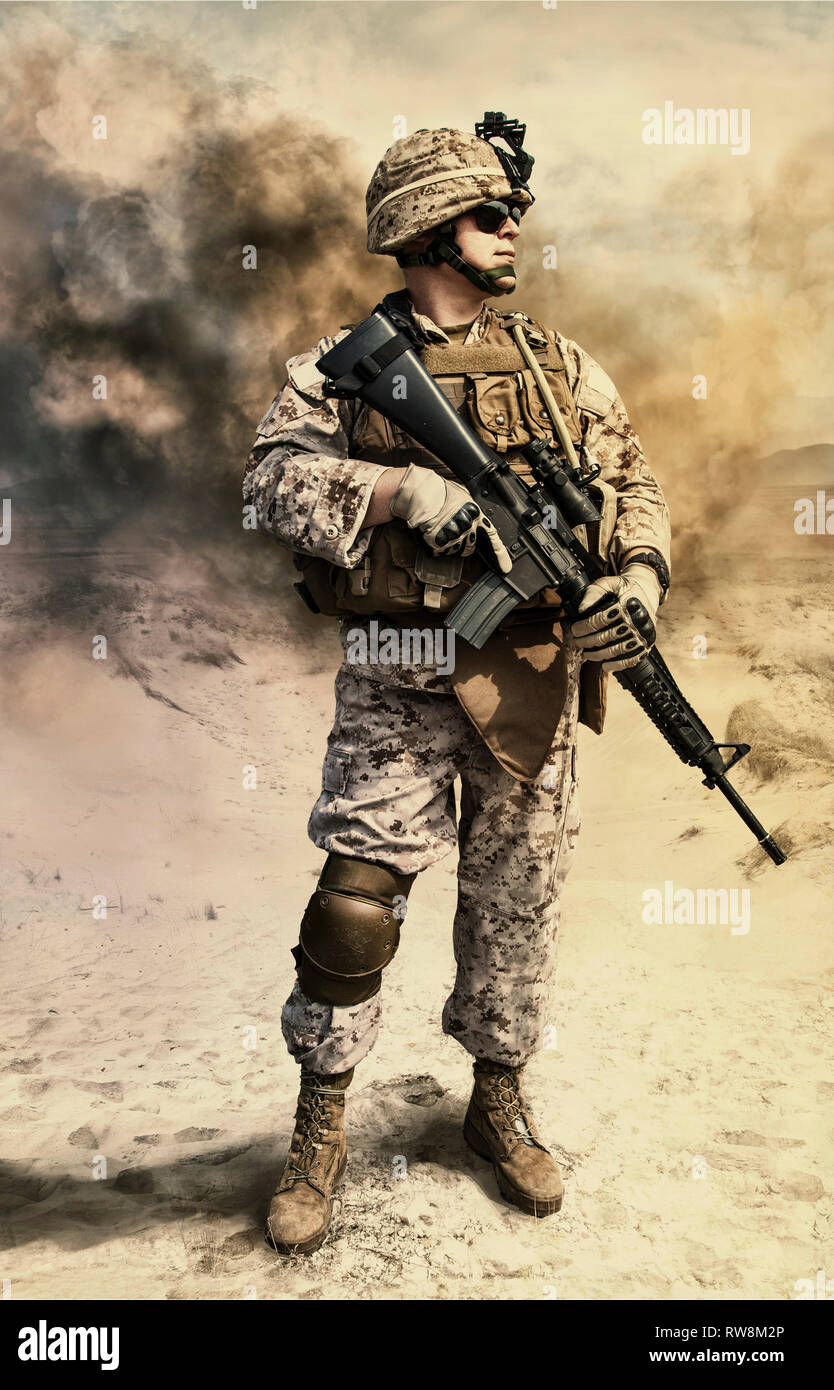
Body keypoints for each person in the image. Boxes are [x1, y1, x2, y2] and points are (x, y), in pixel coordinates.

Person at [243, 115, 671, 1256]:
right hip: (395, 675)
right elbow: (270, 488)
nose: (510, 229)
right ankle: (319, 1120)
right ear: (428, 228)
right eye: (489, 215)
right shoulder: (337, 369)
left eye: (510, 212)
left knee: (516, 902)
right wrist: (395, 497)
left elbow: (631, 483)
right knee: (351, 902)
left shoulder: (556, 366)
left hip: (530, 668)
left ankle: (495, 1100)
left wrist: (633, 574)